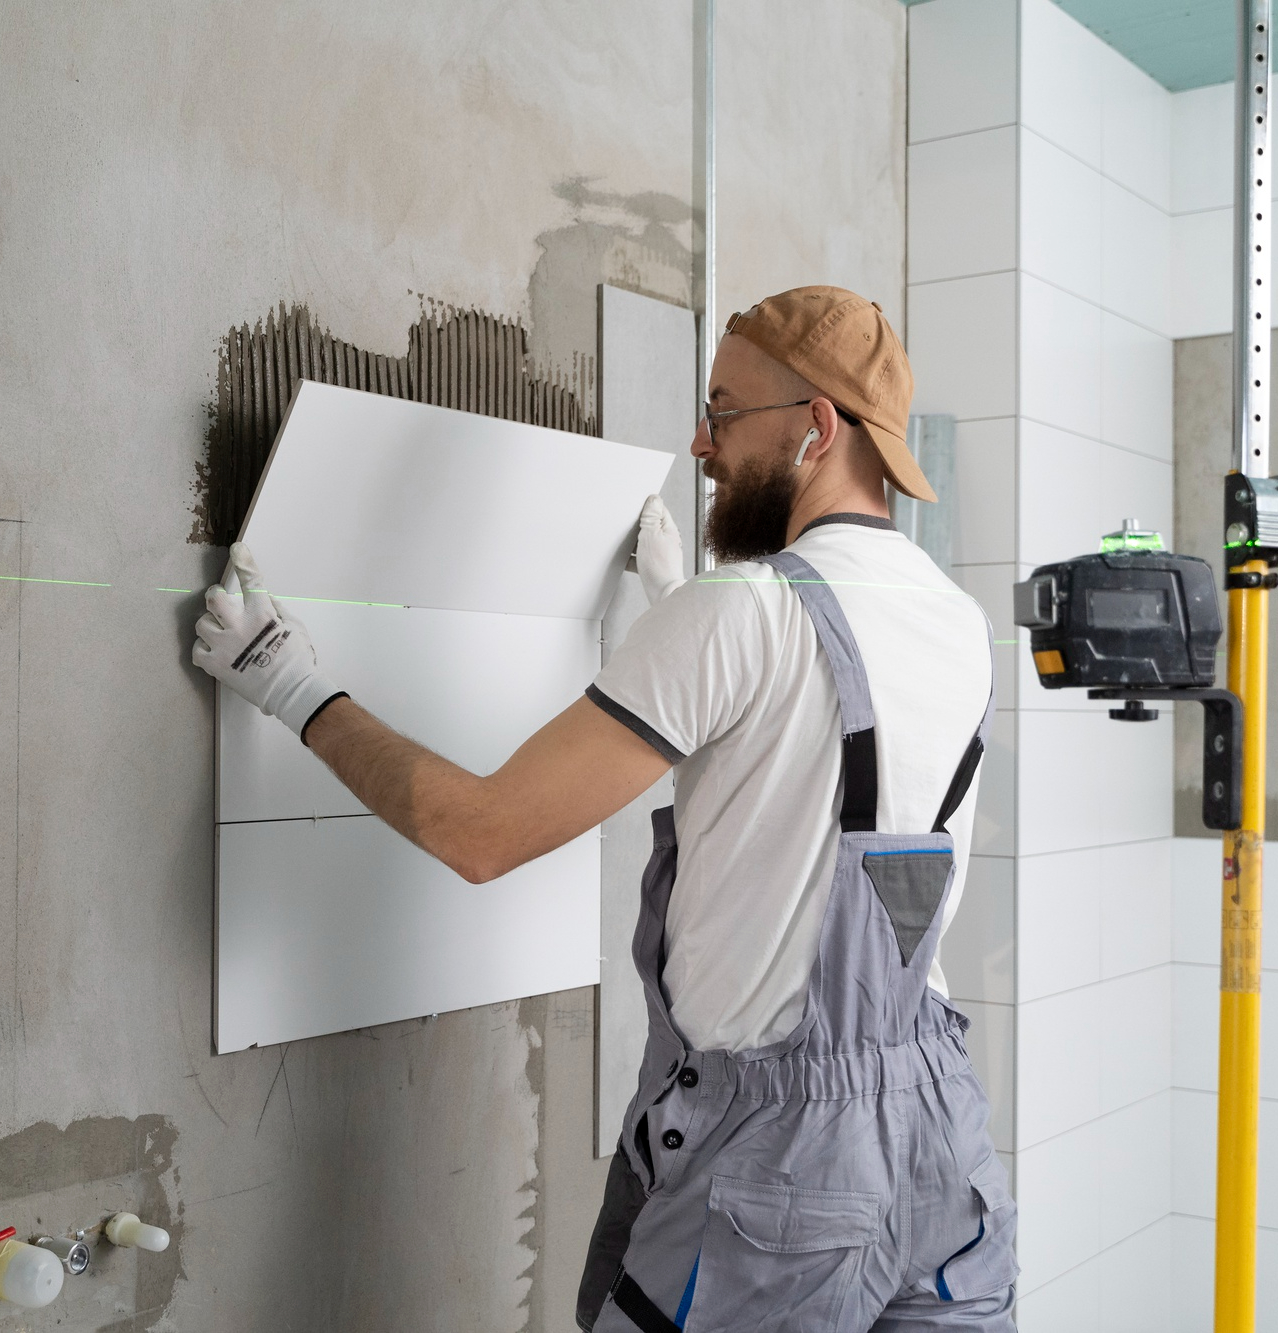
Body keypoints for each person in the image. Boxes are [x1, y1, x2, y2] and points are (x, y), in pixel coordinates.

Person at [191, 286, 1015, 1331]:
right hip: (940, 1155)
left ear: (814, 430)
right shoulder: (954, 622)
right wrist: (680, 623)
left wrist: (292, 686)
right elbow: (805, 778)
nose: (698, 440)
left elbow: (482, 834)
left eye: (721, 411)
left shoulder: (742, 614)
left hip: (784, 1174)